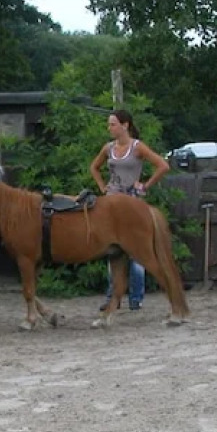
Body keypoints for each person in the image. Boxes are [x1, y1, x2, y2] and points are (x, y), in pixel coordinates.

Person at [89, 109, 170, 311]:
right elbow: (94, 167)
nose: (109, 128)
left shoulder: (137, 147)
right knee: (111, 249)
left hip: (131, 202)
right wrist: (102, 187)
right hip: (111, 202)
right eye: (109, 124)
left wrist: (145, 185)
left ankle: (136, 298)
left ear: (125, 125)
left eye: (113, 124)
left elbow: (163, 166)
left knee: (136, 251)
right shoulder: (108, 148)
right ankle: (113, 297)